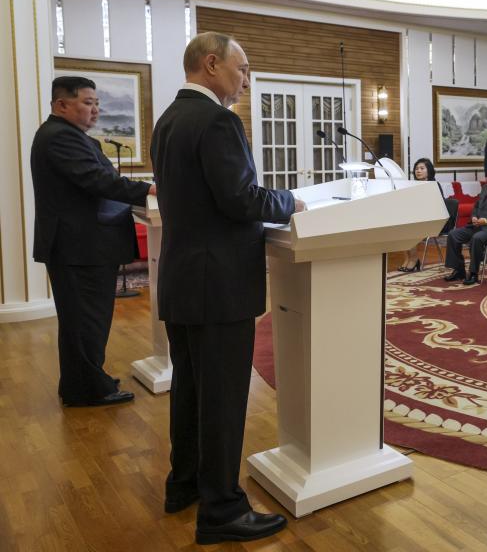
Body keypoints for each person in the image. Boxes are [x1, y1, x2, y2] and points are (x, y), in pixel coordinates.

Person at [151, 32, 301, 544]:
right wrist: (288, 202)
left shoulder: (168, 118)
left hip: (182, 279)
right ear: (211, 64)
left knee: (191, 391)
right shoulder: (217, 120)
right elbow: (239, 199)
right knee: (222, 400)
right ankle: (222, 510)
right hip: (218, 286)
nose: (246, 79)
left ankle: (185, 484)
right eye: (243, 68)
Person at [31, 76, 155, 408]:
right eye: (88, 102)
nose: (96, 110)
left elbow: (102, 180)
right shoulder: (59, 138)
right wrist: (148, 189)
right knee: (85, 321)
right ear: (62, 105)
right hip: (78, 248)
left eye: (97, 103)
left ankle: (81, 380)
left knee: (85, 320)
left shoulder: (70, 136)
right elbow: (97, 180)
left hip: (82, 246)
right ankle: (86, 389)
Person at [399, 158, 444, 271]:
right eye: (416, 169)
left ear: (429, 170)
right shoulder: (414, 185)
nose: (418, 171)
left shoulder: (434, 185)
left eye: (422, 168)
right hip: (418, 218)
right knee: (401, 226)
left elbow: (437, 207)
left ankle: (414, 259)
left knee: (409, 228)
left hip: (433, 219)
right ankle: (408, 258)